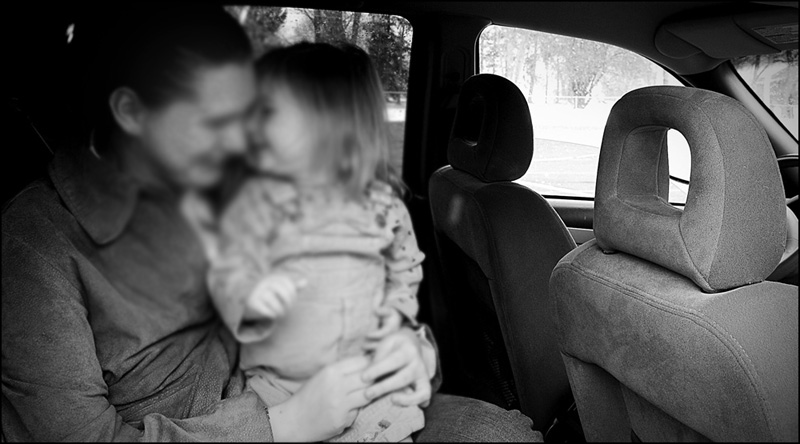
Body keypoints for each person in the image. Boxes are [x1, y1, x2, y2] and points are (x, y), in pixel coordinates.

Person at [1, 3, 543, 442]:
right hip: (252, 422)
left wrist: (405, 346)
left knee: (505, 433)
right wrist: (282, 425)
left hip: (306, 384)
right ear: (132, 113)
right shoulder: (37, 245)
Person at [197, 42, 427, 442]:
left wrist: (397, 312)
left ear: (328, 124)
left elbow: (405, 266)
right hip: (275, 386)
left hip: (364, 377)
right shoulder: (257, 204)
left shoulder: (382, 207)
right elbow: (228, 268)